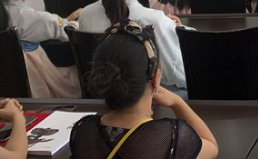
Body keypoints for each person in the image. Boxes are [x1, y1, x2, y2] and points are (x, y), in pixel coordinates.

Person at [69, 21, 218, 159]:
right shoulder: (170, 139)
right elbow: (212, 147)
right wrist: (178, 102)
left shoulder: (83, 131)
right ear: (156, 78)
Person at [78, 0, 187, 91]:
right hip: (140, 96)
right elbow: (177, 74)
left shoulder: (86, 13)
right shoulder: (154, 20)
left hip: (99, 92)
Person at [0, 0, 81, 99]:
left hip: (7, 83)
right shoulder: (32, 17)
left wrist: (64, 21)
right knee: (78, 76)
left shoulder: (10, 13)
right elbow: (67, 31)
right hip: (33, 80)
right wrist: (71, 21)